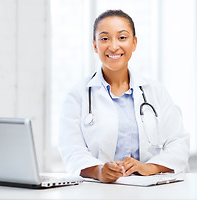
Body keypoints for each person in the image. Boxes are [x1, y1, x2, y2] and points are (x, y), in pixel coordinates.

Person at [58, 10, 190, 183]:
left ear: (134, 43)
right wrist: (98, 171)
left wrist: (150, 168)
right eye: (105, 39)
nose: (113, 46)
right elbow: (71, 149)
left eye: (122, 38)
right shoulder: (77, 95)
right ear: (95, 45)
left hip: (151, 189)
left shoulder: (155, 91)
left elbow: (178, 143)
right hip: (100, 190)